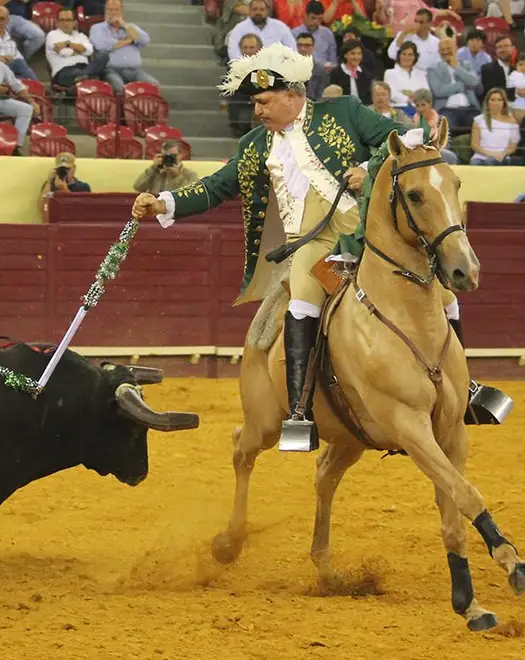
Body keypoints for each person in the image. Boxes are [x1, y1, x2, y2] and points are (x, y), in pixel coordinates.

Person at [129, 44, 415, 452]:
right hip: (315, 245)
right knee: (302, 300)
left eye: (264, 101)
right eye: (255, 103)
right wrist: (163, 203)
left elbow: (401, 139)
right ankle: (299, 411)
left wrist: (367, 169)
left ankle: (467, 388)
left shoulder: (345, 112)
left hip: (370, 232)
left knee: (434, 275)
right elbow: (216, 186)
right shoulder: (254, 145)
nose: (258, 111)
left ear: (293, 96)